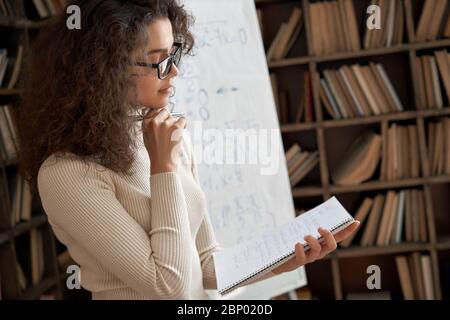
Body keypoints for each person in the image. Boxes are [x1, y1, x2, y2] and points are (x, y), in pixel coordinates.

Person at [17, 0, 359, 300]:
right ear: (105, 70)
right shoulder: (65, 172)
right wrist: (163, 167)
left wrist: (284, 260)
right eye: (159, 60)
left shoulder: (159, 133)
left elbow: (206, 262)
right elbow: (169, 285)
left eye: (174, 54)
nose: (175, 71)